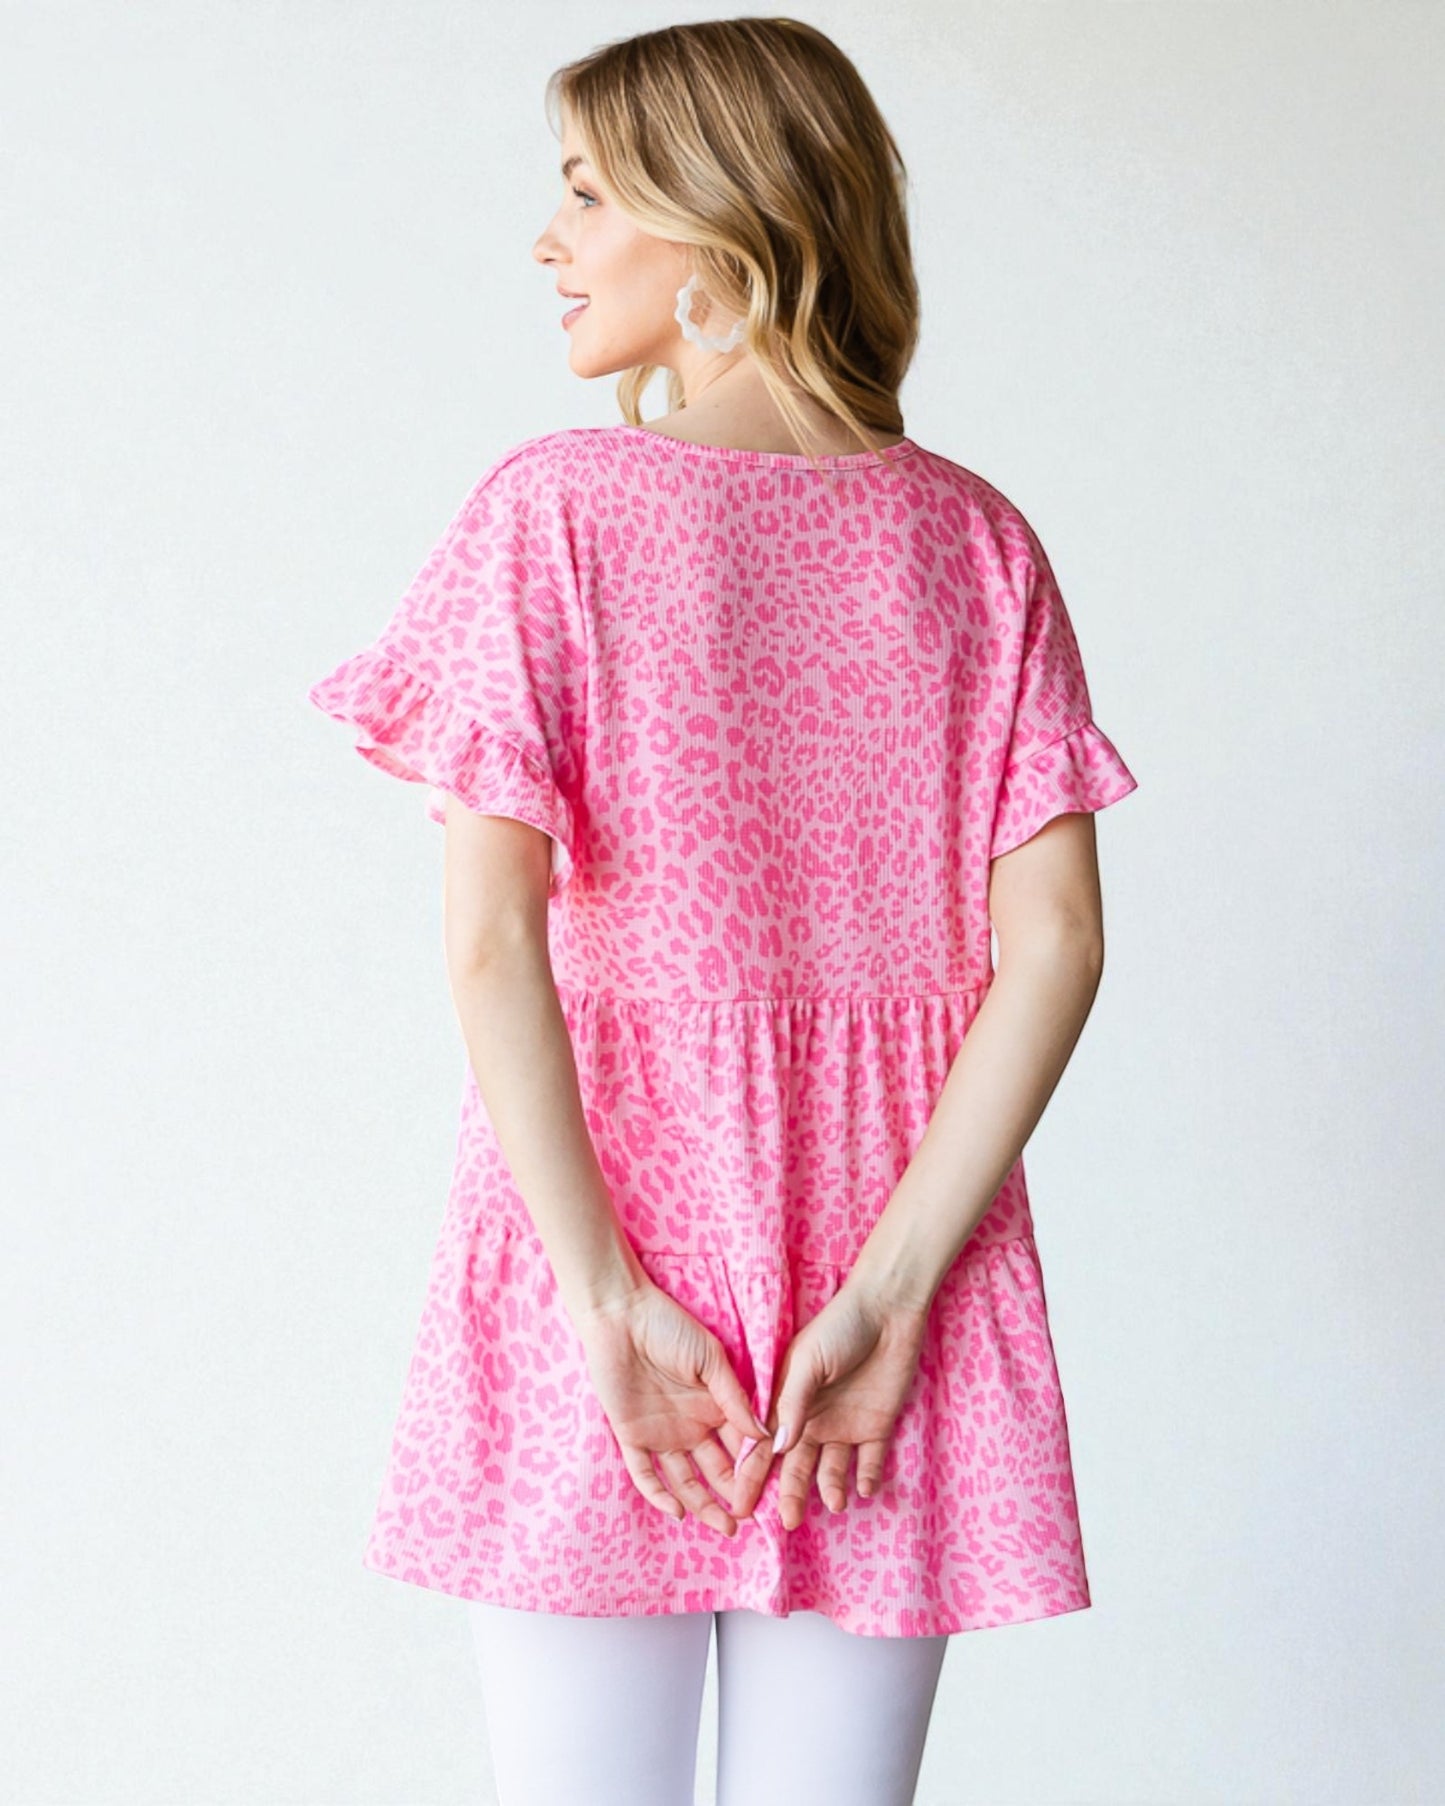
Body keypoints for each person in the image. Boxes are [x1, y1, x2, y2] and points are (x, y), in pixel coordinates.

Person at [305, 17, 1139, 1806]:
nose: (551, 238)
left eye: (588, 193)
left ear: (720, 224)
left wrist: (604, 1294)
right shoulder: (976, 543)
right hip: (890, 1256)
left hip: (608, 1236)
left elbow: (483, 939)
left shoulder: (554, 516)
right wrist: (894, 1290)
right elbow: (1054, 946)